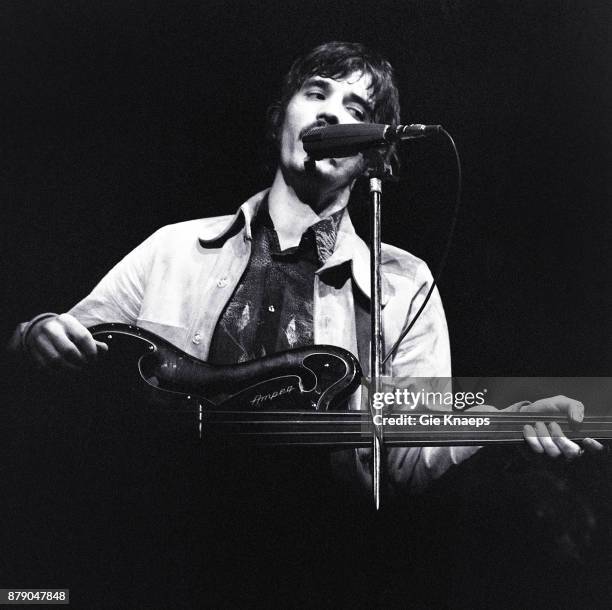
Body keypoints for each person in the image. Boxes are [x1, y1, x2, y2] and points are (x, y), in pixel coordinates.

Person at [8, 41, 602, 496]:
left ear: (374, 151)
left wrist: (505, 423)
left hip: (315, 553)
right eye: (316, 94)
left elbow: (408, 456)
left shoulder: (404, 286)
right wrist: (37, 334)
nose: (330, 114)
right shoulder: (173, 249)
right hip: (161, 534)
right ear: (282, 117)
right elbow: (76, 350)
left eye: (355, 108)